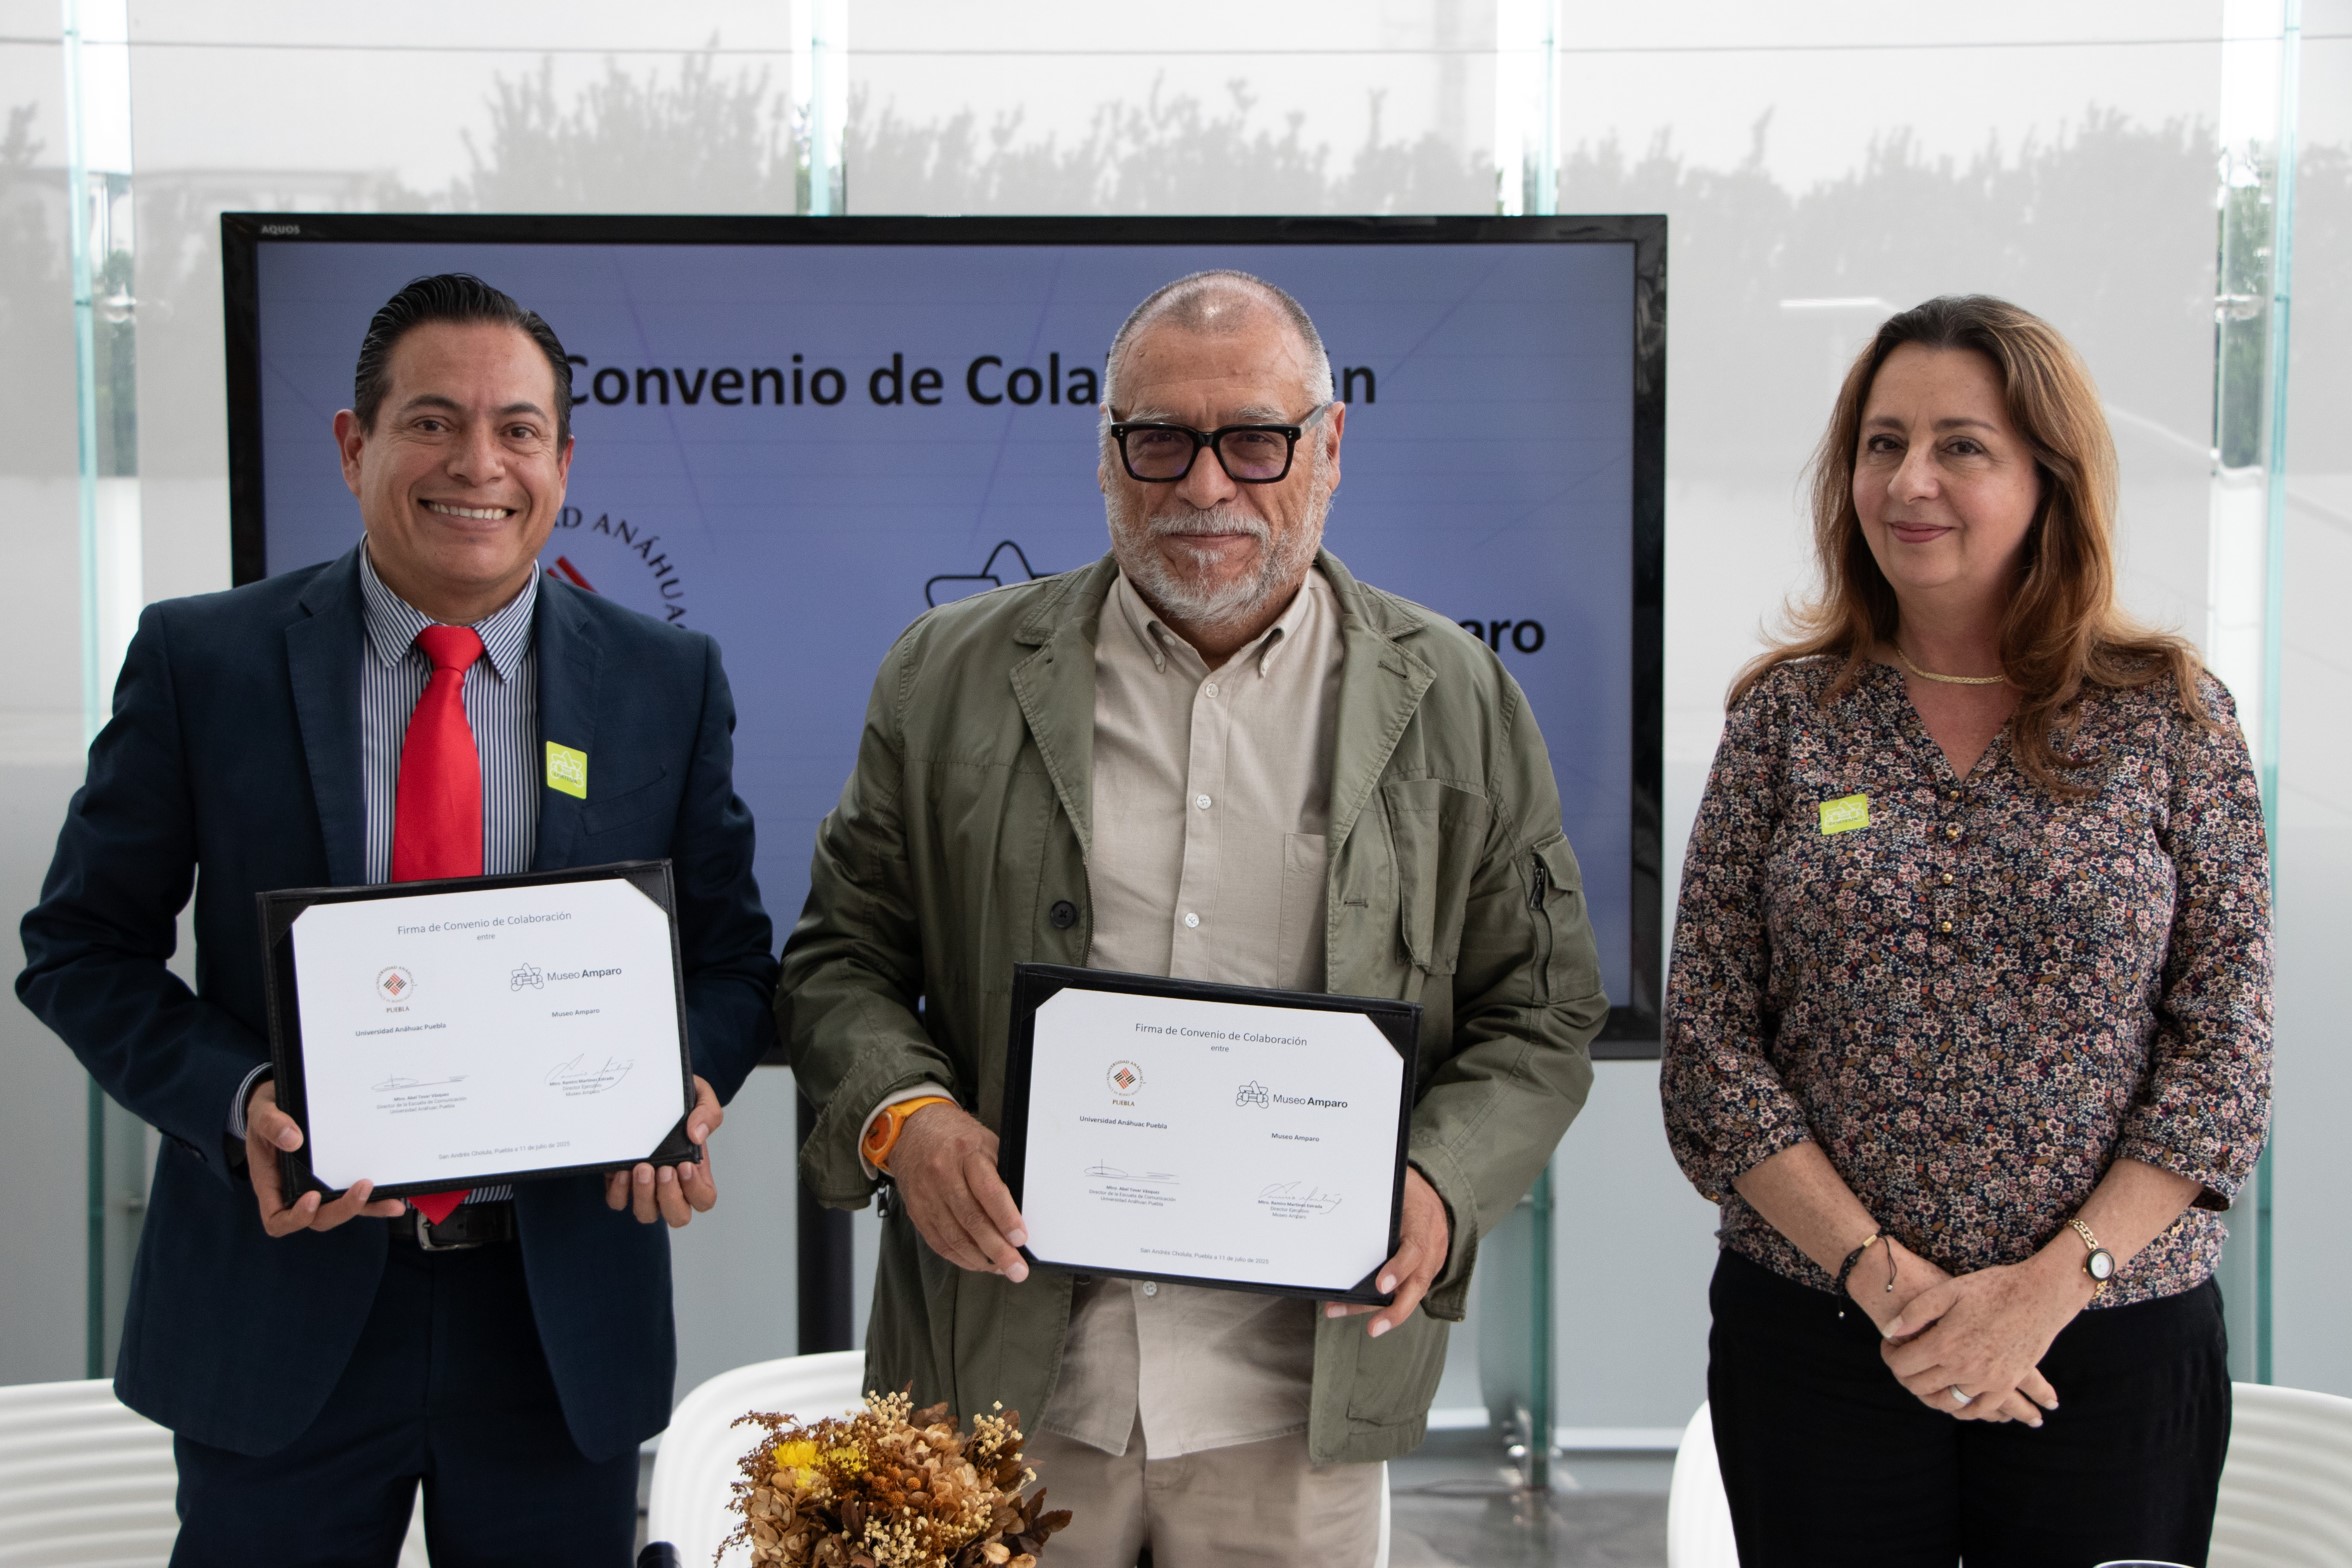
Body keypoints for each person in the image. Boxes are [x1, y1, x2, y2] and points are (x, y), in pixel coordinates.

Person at [779, 269, 1606, 1566]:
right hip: (999, 1384)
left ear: (1329, 449)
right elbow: (842, 959)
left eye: (1256, 440)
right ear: (1104, 456)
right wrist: (906, 1118)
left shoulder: (1455, 697)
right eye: (1157, 439)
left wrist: (1442, 1181)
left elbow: (1540, 1010)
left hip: (1294, 1404)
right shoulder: (946, 677)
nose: (1204, 485)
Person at [17, 274, 777, 1566]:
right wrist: (237, 1093)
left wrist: (682, 1086)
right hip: (281, 1303)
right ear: (354, 443)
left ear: (562, 459)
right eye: (432, 421)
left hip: (555, 1322)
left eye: (518, 429)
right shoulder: (209, 662)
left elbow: (730, 960)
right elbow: (80, 948)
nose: (477, 463)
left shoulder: (665, 680)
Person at [1660, 294, 2272, 1567]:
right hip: (1822, 1333)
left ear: (2050, 474)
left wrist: (2040, 1295)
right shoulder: (1784, 719)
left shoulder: (2172, 719)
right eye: (1882, 443)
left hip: (2105, 1344)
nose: (1910, 480)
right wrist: (1889, 1282)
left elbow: (2224, 1060)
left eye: (1961, 445)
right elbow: (1712, 1048)